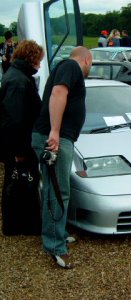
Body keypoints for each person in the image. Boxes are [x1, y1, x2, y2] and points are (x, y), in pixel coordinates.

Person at [31, 46, 92, 269]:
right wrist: (55, 131)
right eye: (91, 64)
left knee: (54, 189)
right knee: (57, 192)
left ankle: (56, 233)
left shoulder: (67, 68)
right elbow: (58, 93)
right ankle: (54, 245)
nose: (89, 68)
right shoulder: (71, 66)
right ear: (86, 59)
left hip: (57, 137)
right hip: (55, 138)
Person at [0, 39, 44, 235]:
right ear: (31, 58)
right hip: (20, 143)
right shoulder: (19, 80)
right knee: (22, 181)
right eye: (38, 60)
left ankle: (18, 224)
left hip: (18, 141)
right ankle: (20, 225)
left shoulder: (16, 75)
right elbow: (14, 118)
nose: (40, 65)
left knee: (17, 180)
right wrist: (19, 150)